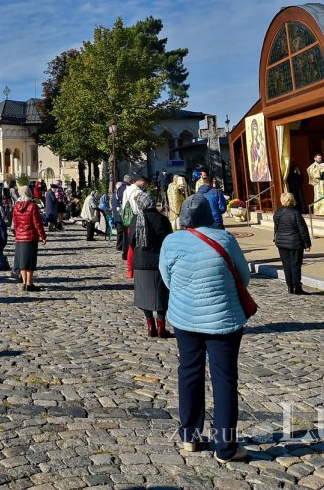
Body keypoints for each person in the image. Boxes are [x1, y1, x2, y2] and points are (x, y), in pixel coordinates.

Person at [159, 193, 252, 463]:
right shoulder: (226, 239)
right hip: (223, 319)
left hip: (185, 318)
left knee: (189, 371)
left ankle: (189, 435)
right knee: (224, 379)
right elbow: (244, 276)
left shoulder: (172, 241)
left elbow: (167, 279)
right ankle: (226, 447)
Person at [131, 185, 174, 337]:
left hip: (141, 262)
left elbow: (131, 241)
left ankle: (150, 325)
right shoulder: (162, 219)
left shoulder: (136, 219)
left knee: (143, 295)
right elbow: (169, 239)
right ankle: (161, 326)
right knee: (162, 294)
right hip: (159, 261)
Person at [272, 192, 311, 294]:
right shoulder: (295, 213)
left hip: (282, 242)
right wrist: (307, 244)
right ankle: (297, 287)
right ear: (292, 200)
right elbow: (302, 229)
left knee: (286, 265)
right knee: (295, 265)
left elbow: (276, 228)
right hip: (295, 243)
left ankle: (290, 287)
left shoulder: (278, 213)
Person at [11, 185, 47, 291]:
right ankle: (29, 283)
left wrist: (17, 234)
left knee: (22, 261)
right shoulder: (32, 205)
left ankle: (24, 282)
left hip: (20, 237)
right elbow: (37, 223)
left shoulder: (16, 205)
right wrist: (42, 235)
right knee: (30, 261)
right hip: (30, 236)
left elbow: (15, 222)